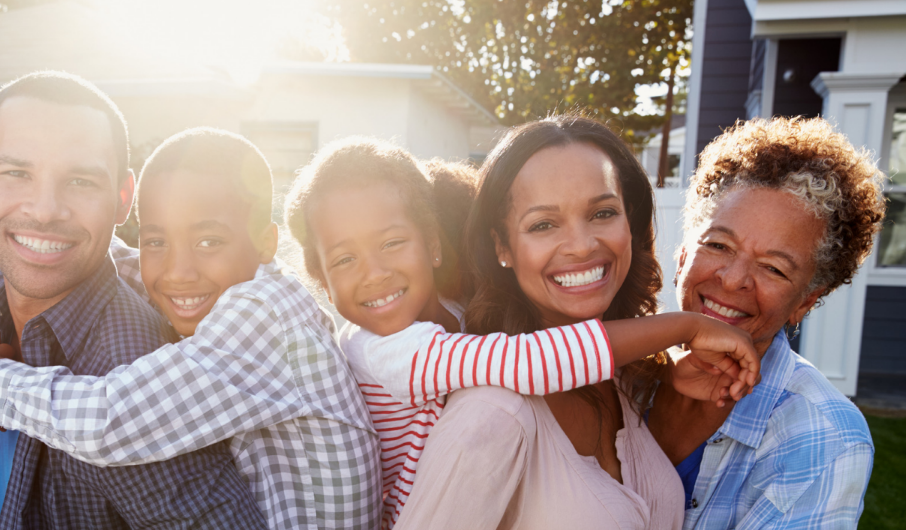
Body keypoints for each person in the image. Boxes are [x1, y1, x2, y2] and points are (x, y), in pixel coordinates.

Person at [282, 136, 760, 529]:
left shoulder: (462, 316)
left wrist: (664, 376)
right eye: (543, 223)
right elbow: (528, 362)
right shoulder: (399, 356)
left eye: (601, 213)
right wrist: (685, 326)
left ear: (433, 247)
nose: (375, 273)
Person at [0, 128, 380, 529]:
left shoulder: (266, 317)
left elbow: (112, 421)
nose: (178, 271)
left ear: (267, 242)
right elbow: (68, 253)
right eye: (156, 241)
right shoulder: (213, 281)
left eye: (209, 241)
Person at [0, 72, 265, 529]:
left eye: (80, 181)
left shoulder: (129, 371)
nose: (46, 209)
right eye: (17, 173)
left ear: (122, 199)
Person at [645, 117, 882, 529]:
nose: (733, 279)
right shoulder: (617, 370)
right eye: (718, 245)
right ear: (683, 254)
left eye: (773, 268)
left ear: (805, 301)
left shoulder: (824, 437)